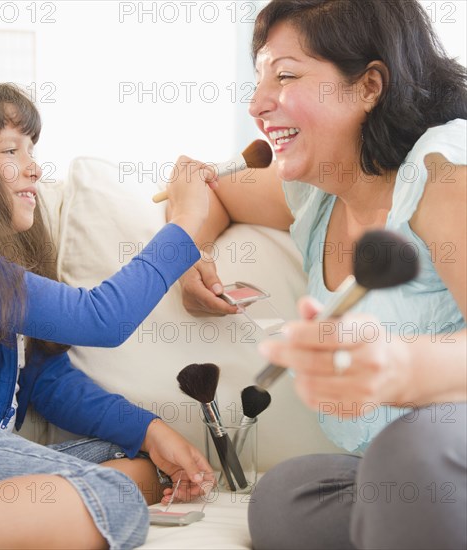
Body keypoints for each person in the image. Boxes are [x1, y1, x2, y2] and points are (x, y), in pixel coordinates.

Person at [175, 1, 467, 548]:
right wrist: (188, 247)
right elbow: (209, 192)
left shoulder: (444, 171)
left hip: (444, 457)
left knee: (411, 457)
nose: (258, 103)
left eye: (285, 75)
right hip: (393, 477)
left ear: (368, 87)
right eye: (259, 75)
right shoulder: (315, 191)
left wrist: (400, 367)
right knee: (286, 497)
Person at [0, 73, 216, 550]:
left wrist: (149, 428)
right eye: (11, 151)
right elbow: (101, 318)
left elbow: (44, 379)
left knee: (139, 461)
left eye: (31, 151)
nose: (34, 168)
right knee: (113, 497)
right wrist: (187, 222)